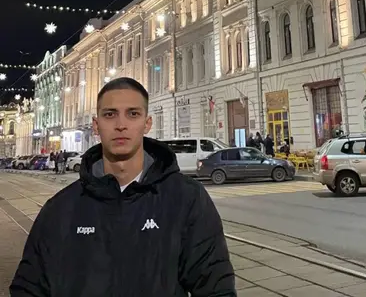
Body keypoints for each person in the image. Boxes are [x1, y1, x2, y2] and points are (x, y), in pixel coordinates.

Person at [11, 77, 236, 296]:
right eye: (110, 114)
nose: (121, 125)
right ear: (96, 125)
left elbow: (215, 287)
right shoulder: (60, 208)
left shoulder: (186, 199)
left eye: (133, 114)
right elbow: (29, 286)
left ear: (147, 123)